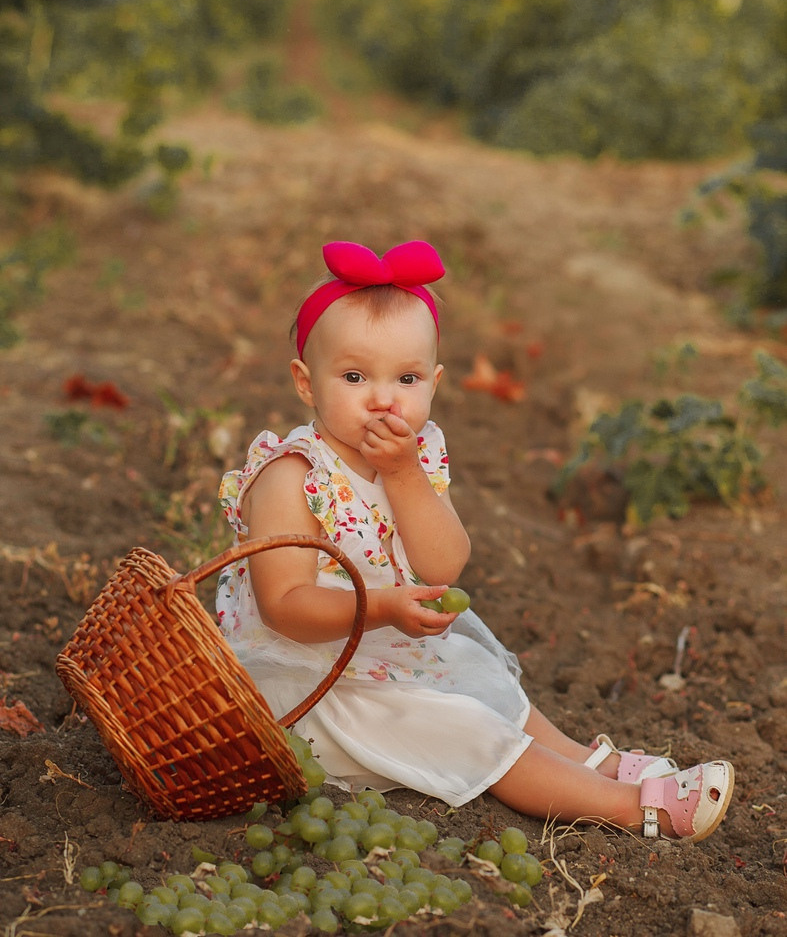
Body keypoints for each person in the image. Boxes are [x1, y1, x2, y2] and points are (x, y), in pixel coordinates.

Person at [216, 239, 734, 843]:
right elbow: (284, 608)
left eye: (406, 378)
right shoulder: (292, 476)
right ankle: (628, 807)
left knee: (475, 670)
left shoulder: (417, 457)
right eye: (355, 376)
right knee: (462, 728)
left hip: (384, 655)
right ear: (306, 383)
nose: (384, 398)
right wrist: (381, 607)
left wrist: (406, 477)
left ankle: (592, 760)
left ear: (434, 383)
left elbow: (445, 563)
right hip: (308, 688)